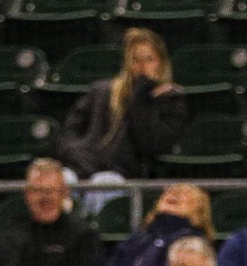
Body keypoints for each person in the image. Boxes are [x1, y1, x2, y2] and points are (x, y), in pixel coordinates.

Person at [57, 27, 187, 192]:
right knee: (62, 179)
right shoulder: (100, 92)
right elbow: (69, 133)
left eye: (149, 59)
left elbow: (151, 145)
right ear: (127, 63)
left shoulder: (170, 100)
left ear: (161, 62)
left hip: (125, 175)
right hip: (83, 166)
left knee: (105, 183)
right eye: (135, 60)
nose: (143, 66)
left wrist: (142, 97)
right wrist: (78, 155)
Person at [0, 159, 104, 266]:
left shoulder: (84, 237)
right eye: (38, 191)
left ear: (64, 193)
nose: (45, 198)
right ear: (27, 194)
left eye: (51, 191)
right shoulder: (10, 237)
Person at [96, 184, 211, 266]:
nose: (174, 194)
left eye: (184, 194)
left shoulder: (193, 241)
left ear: (199, 210)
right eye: (169, 192)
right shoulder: (139, 237)